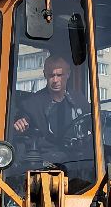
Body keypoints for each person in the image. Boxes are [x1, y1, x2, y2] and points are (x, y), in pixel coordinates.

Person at [8, 54, 95, 188]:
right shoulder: (32, 103)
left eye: (59, 75)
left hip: (78, 156)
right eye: (51, 75)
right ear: (44, 75)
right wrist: (20, 122)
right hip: (48, 159)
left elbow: (92, 121)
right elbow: (23, 118)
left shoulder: (79, 99)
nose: (55, 80)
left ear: (68, 74)